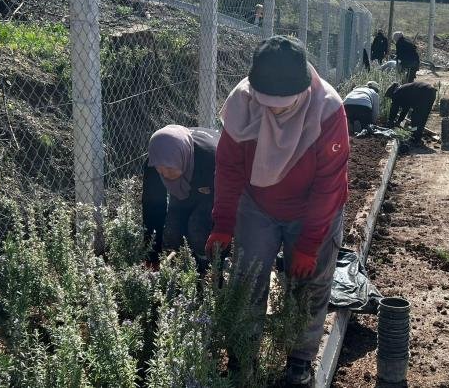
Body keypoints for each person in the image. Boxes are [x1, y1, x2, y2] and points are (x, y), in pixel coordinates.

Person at [205, 35, 348, 385]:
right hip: (258, 206)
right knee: (247, 279)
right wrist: (223, 223)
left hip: (312, 209)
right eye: (265, 103)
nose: (272, 111)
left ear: (303, 91)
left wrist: (309, 244)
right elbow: (228, 168)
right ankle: (242, 355)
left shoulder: (328, 110)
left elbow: (328, 186)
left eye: (282, 106)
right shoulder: (242, 102)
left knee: (309, 286)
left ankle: (299, 360)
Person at [142, 125, 219, 272]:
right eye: (160, 168)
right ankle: (180, 270)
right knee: (172, 231)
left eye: (169, 168)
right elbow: (152, 209)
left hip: (211, 182)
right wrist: (152, 256)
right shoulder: (155, 163)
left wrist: (223, 233)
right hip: (187, 176)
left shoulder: (211, 159)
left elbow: (227, 201)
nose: (164, 174)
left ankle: (208, 271)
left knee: (198, 229)